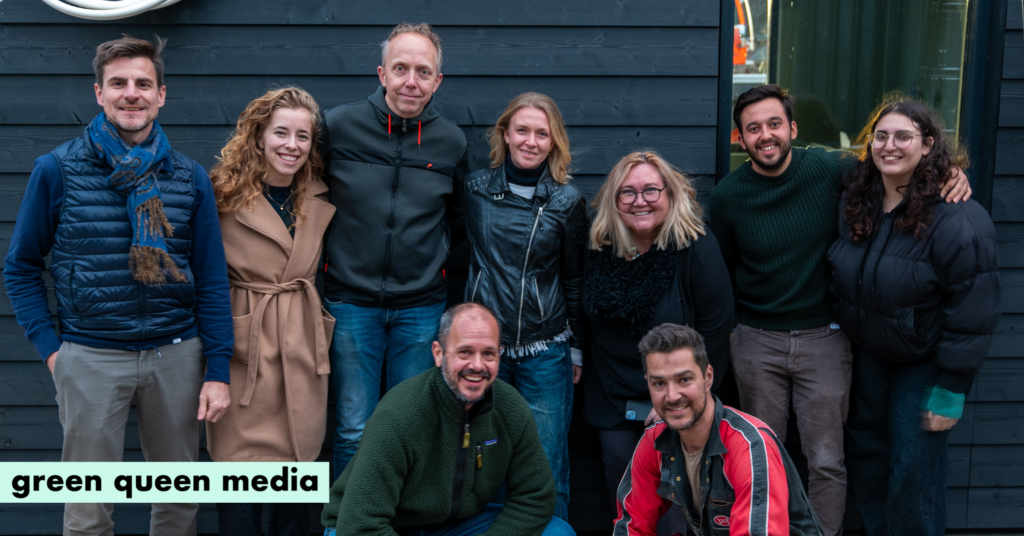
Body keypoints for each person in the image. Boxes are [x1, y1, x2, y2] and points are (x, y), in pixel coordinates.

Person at [708, 84, 972, 535]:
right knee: (760, 457)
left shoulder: (829, 168)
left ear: (792, 129)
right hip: (757, 341)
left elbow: (894, 163)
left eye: (774, 124)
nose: (765, 135)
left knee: (828, 460)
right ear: (740, 138)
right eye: (753, 128)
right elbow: (725, 271)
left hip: (824, 339)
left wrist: (952, 172)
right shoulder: (728, 196)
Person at [2, 35, 232, 535]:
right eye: (119, 83)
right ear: (99, 92)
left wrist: (217, 368)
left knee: (178, 506)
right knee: (87, 512)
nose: (132, 93)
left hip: (176, 355)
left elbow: (213, 279)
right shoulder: (58, 169)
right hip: (90, 356)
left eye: (143, 84)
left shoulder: (189, 177)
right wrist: (53, 352)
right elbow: (20, 267)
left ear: (161, 95)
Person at [828, 98, 1001, 535]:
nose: (889, 146)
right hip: (868, 357)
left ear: (927, 145)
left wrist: (952, 389)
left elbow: (975, 308)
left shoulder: (957, 216)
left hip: (923, 365)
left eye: (903, 136)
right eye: (881, 136)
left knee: (913, 474)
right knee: (868, 463)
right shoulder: (858, 199)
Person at [319, 22, 469, 481]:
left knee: (410, 426)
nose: (411, 81)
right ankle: (349, 517)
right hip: (350, 303)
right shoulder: (338, 126)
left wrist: (430, 267)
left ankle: (401, 516)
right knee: (352, 428)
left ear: (437, 81)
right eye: (401, 69)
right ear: (382, 73)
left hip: (420, 307)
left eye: (423, 72)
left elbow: (457, 219)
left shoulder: (451, 141)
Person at [321, 303, 576, 536]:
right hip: (368, 527)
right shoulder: (400, 413)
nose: (477, 365)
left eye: (488, 353)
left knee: (557, 532)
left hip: (456, 526)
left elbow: (535, 497)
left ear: (499, 355)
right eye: (465, 352)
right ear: (438, 353)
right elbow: (360, 524)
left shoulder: (510, 408)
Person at [207, 87, 336, 535]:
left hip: (301, 350)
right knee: (238, 494)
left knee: (296, 498)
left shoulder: (319, 193)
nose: (291, 145)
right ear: (259, 136)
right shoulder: (221, 194)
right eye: (281, 132)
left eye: (303, 136)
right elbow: (205, 281)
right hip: (245, 354)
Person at [583, 151, 734, 513]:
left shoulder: (695, 246)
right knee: (626, 492)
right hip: (613, 393)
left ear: (670, 193)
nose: (640, 201)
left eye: (651, 190)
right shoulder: (597, 247)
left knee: (675, 501)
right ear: (614, 200)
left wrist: (677, 396)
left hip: (678, 393)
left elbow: (716, 330)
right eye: (628, 192)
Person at [461, 92, 588, 520]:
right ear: (505, 134)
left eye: (541, 133)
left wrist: (576, 348)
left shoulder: (567, 201)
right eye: (522, 130)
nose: (530, 141)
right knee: (487, 461)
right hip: (484, 352)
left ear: (554, 142)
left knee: (546, 464)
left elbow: (574, 277)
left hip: (545, 350)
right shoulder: (475, 188)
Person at [613, 323, 823, 536]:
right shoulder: (654, 440)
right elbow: (631, 526)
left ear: (708, 377)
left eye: (684, 380)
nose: (672, 396)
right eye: (659, 383)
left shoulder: (749, 445)